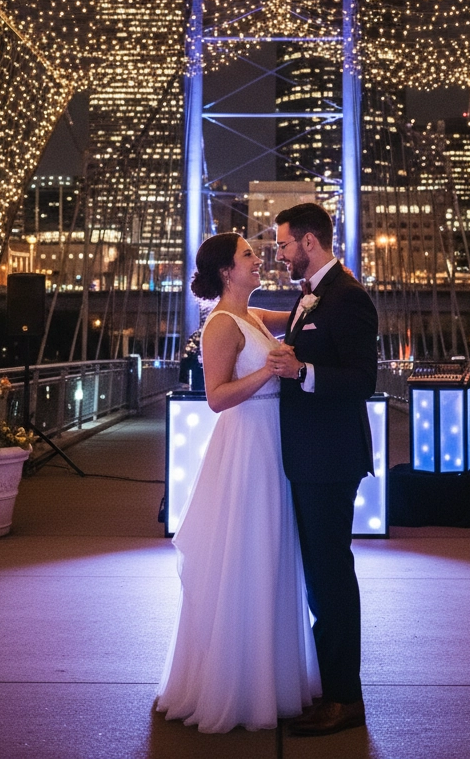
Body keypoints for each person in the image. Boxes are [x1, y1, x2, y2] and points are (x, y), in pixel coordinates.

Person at [157, 232, 320, 733]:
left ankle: (271, 676)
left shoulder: (253, 315)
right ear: (227, 271)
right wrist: (269, 372)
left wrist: (322, 287)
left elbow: (299, 314)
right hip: (246, 443)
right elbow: (216, 396)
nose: (258, 259)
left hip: (272, 445)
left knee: (271, 553)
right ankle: (235, 687)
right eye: (249, 254)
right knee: (246, 554)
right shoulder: (221, 324)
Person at [268, 202, 378, 737]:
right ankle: (330, 688)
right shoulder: (312, 296)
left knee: (331, 576)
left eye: (285, 244)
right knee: (320, 577)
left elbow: (362, 380)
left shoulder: (349, 298)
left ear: (310, 242)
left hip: (331, 460)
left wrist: (301, 370)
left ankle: (344, 697)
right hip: (311, 457)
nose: (280, 254)